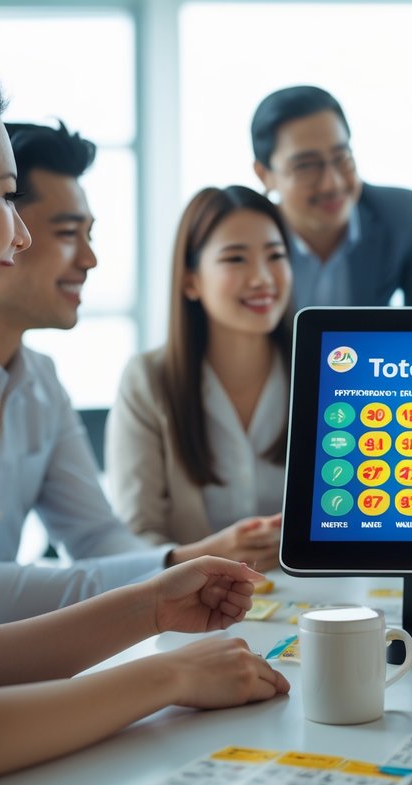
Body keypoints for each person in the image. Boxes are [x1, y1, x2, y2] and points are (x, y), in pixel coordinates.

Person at [0, 43, 288, 785]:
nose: (24, 241)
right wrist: (165, 675)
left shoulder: (26, 383)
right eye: (5, 198)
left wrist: (152, 604)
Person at [0, 122, 279, 628]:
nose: (90, 259)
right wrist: (174, 567)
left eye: (90, 234)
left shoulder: (41, 381)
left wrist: (180, 568)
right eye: (65, 234)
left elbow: (97, 537)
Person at [106, 186, 291, 558]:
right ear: (191, 280)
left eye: (275, 255)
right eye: (236, 259)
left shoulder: (326, 374)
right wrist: (215, 554)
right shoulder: (148, 380)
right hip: (196, 606)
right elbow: (136, 537)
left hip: (321, 602)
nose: (262, 278)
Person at [250, 85, 412, 308]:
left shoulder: (398, 215)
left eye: (341, 158)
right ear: (265, 175)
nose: (333, 183)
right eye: (306, 166)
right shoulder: (245, 236)